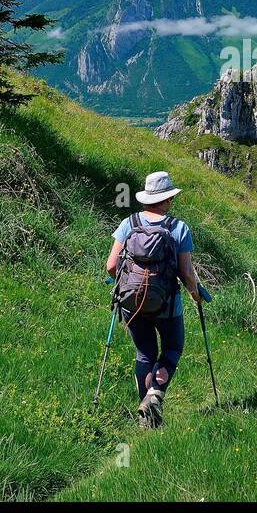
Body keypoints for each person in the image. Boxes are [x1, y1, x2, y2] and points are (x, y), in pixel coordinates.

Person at [105, 171, 207, 428]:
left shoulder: (129, 223)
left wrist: (125, 285)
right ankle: (154, 397)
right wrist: (196, 295)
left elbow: (110, 266)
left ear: (146, 198)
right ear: (168, 200)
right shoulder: (178, 228)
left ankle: (145, 417)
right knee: (172, 349)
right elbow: (185, 273)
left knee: (144, 354)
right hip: (167, 305)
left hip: (131, 304)